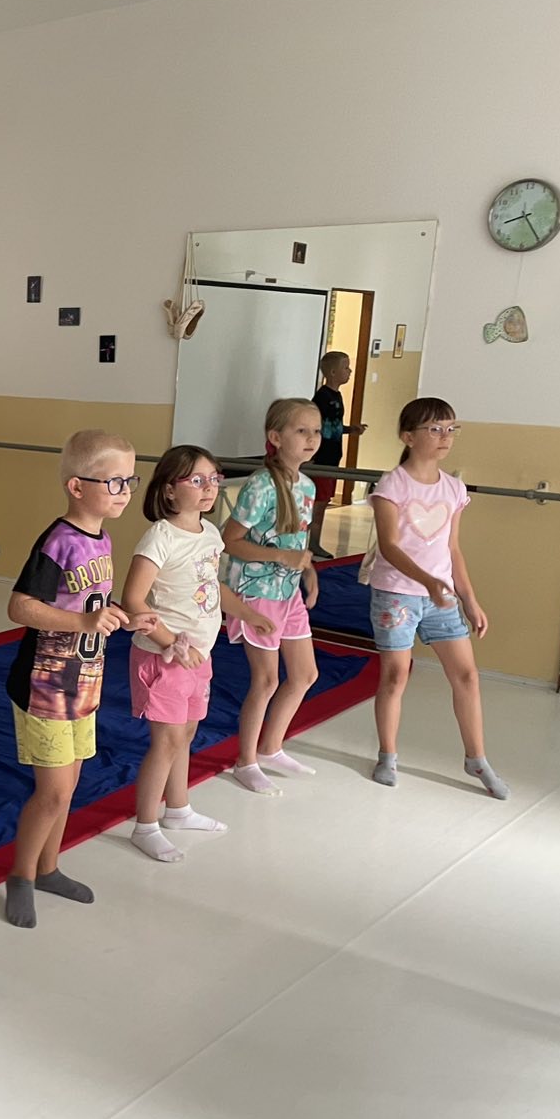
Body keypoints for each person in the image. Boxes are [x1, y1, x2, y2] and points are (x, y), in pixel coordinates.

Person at [3, 429, 142, 928]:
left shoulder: (102, 538)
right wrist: (84, 621)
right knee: (54, 792)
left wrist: (123, 616)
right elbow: (21, 607)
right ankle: (21, 875)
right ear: (77, 486)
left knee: (71, 785)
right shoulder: (59, 541)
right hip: (45, 686)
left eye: (130, 481)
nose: (124, 492)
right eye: (114, 482)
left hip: (84, 681)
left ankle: (48, 867)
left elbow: (87, 602)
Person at [123, 445, 274, 862]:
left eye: (214, 479)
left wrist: (247, 613)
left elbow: (211, 586)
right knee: (167, 740)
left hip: (199, 655)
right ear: (169, 490)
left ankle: (178, 808)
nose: (209, 487)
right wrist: (170, 642)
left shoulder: (209, 533)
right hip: (163, 657)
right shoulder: (160, 536)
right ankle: (145, 825)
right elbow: (133, 599)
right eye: (196, 480)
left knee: (186, 734)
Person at [366, 398, 506, 799]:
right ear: (408, 437)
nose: (445, 437)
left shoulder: (453, 488)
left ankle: (476, 757)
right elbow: (390, 546)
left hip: (439, 597)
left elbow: (453, 549)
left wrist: (470, 599)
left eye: (450, 429)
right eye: (434, 429)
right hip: (397, 594)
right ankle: (388, 755)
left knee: (466, 675)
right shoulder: (392, 485)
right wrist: (427, 581)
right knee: (396, 675)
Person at [220, 398, 322, 795]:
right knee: (265, 680)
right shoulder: (261, 486)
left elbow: (296, 541)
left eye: (316, 431)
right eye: (302, 431)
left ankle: (271, 747)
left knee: (305, 674)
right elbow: (231, 541)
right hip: (256, 591)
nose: (311, 438)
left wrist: (307, 569)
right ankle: (245, 761)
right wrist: (281, 558)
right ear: (276, 437)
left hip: (287, 591)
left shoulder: (307, 486)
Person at [307, 351, 367, 559]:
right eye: (345, 367)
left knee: (323, 502)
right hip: (321, 458)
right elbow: (317, 427)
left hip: (333, 457)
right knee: (318, 503)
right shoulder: (322, 398)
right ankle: (310, 543)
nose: (349, 371)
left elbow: (334, 426)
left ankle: (314, 542)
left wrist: (350, 429)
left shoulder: (337, 396)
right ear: (332, 372)